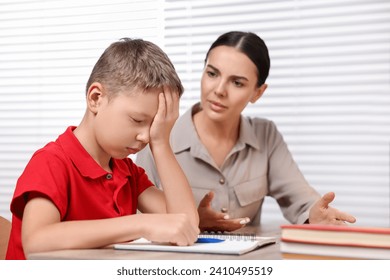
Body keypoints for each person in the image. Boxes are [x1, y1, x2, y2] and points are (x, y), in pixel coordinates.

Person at [136, 31, 356, 232]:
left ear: (257, 93)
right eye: (212, 74)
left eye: (237, 83)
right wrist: (192, 220)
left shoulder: (265, 136)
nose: (219, 90)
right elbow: (136, 218)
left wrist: (315, 216)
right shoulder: (158, 135)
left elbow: (301, 201)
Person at [6, 38, 199, 260]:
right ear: (96, 98)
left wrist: (161, 142)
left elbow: (187, 223)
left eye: (154, 125)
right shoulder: (51, 162)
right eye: (137, 120)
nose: (146, 135)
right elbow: (36, 241)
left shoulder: (126, 171)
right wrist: (140, 223)